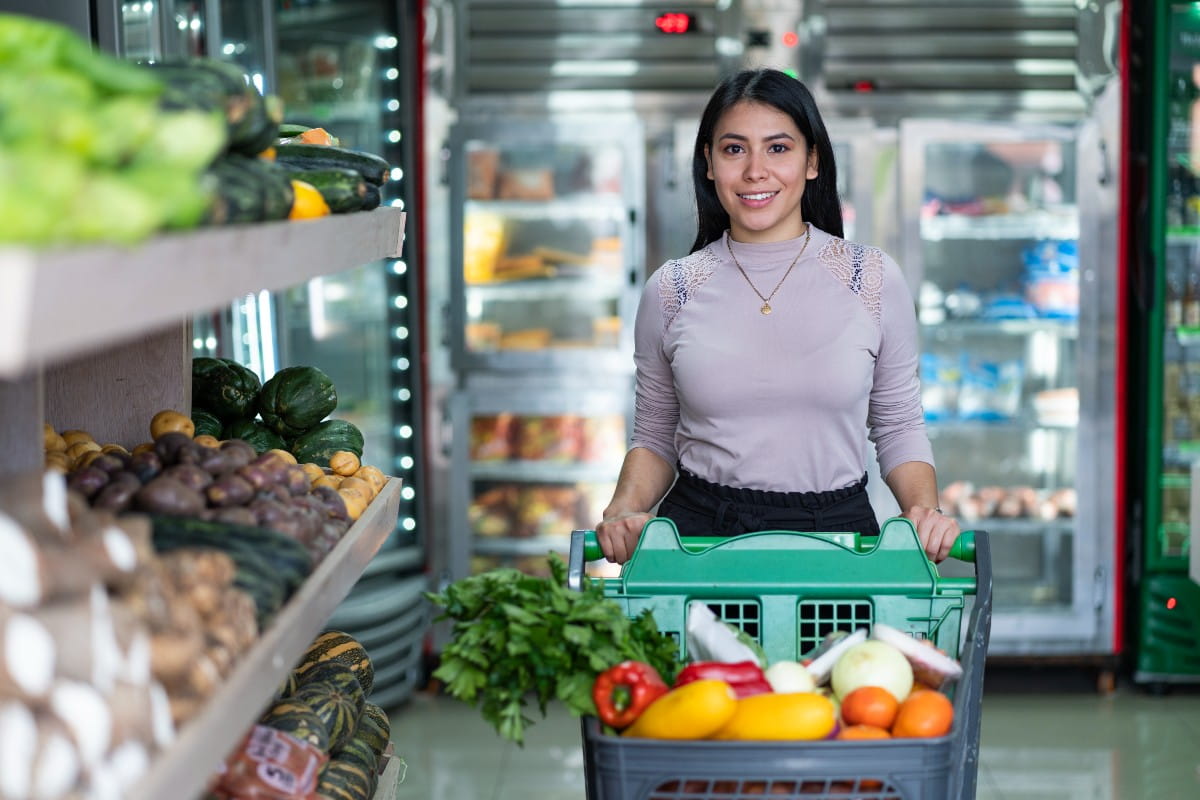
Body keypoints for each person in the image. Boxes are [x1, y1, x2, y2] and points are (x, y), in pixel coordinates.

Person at [595, 68, 960, 565]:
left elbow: (897, 423)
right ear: (709, 162)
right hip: (699, 540)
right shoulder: (672, 288)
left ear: (812, 160)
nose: (754, 171)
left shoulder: (870, 277)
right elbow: (657, 432)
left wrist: (924, 512)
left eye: (778, 148)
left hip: (838, 538)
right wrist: (623, 508)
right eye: (734, 149)